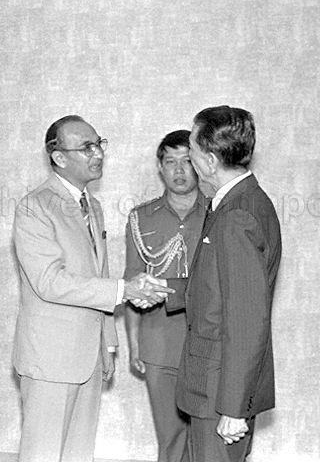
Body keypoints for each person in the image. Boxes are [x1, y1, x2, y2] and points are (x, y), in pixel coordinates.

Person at [12, 115, 173, 462]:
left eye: (99, 143)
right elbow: (49, 282)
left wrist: (108, 344)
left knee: (78, 455)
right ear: (59, 157)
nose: (97, 153)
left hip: (88, 357)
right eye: (86, 147)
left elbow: (96, 273)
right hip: (50, 360)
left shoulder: (92, 206)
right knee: (42, 454)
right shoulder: (34, 206)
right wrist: (125, 291)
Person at [164, 106, 282, 462]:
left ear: (211, 160)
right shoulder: (240, 202)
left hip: (219, 393)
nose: (191, 162)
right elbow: (219, 288)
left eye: (194, 153)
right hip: (214, 387)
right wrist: (163, 288)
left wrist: (232, 407)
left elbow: (247, 319)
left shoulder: (236, 216)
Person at [124, 130, 207, 462]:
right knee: (171, 440)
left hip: (209, 342)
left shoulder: (220, 212)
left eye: (187, 161)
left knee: (211, 438)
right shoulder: (141, 218)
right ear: (160, 167)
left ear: (200, 164)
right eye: (170, 162)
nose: (179, 170)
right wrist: (134, 344)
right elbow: (131, 285)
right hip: (159, 343)